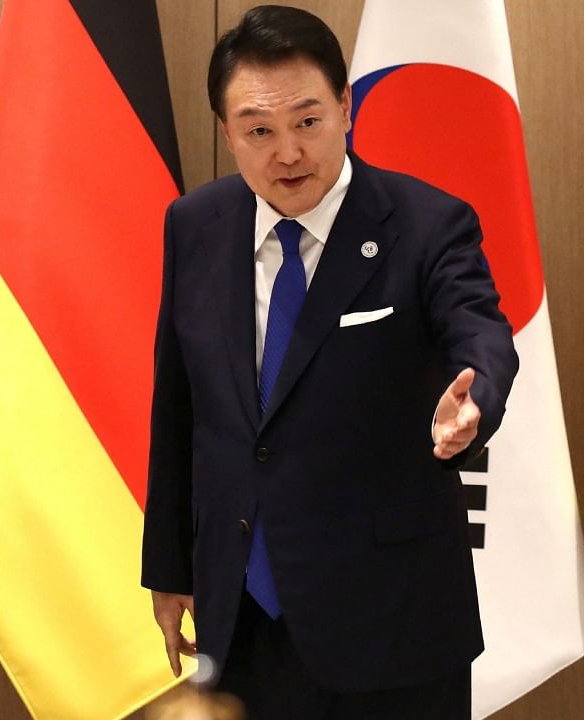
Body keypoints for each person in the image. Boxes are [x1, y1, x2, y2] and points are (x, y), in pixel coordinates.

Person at [141, 6, 518, 718]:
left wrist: (477, 400)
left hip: (390, 623)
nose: (287, 153)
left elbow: (481, 333)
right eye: (259, 130)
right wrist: (168, 567)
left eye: (308, 122)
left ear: (346, 107)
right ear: (227, 132)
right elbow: (180, 404)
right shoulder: (196, 225)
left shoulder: (426, 222)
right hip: (244, 614)